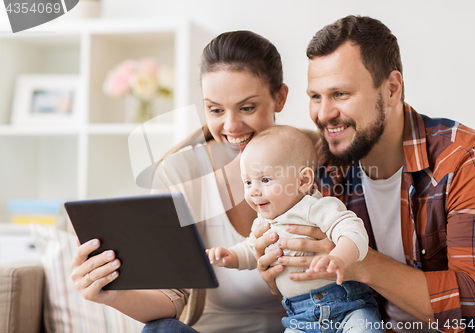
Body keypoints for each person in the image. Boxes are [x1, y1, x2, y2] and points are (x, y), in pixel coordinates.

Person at [254, 15, 475, 333]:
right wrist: (278, 273)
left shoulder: (466, 162)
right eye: (315, 96)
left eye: (340, 94)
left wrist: (363, 263)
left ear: (392, 90)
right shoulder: (322, 167)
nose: (323, 113)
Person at [70, 30, 318, 333]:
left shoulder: (316, 157)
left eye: (247, 107)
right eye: (215, 109)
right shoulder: (182, 173)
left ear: (279, 97)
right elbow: (171, 300)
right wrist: (111, 293)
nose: (231, 126)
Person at [206, 125, 383, 332]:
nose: (253, 190)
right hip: (301, 317)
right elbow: (251, 249)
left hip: (348, 307)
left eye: (265, 180)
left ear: (303, 181)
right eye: (247, 181)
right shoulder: (262, 221)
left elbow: (352, 230)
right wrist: (230, 256)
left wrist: (340, 258)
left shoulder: (315, 207)